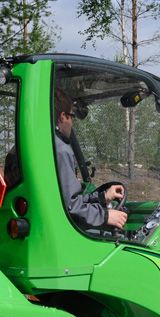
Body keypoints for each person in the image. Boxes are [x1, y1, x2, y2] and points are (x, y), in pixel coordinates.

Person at [54, 89, 127, 230]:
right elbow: (71, 207)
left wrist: (102, 197)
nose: (72, 123)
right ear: (63, 117)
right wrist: (105, 216)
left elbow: (65, 200)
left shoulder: (34, 144)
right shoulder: (60, 149)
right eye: (72, 116)